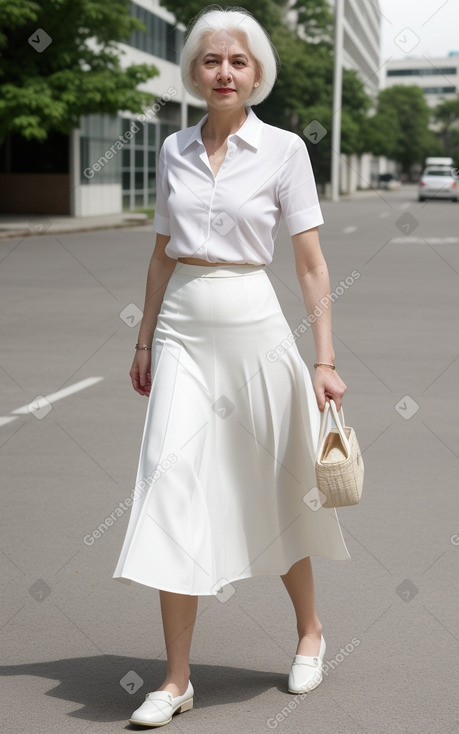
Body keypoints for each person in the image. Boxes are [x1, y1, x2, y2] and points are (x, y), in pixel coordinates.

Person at [113, 5, 350, 728]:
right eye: (212, 60)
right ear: (194, 69)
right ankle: (177, 678)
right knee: (168, 482)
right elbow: (161, 251)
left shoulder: (282, 151)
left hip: (254, 325)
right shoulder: (172, 149)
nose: (224, 72)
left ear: (256, 73)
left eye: (237, 61)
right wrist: (144, 338)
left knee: (275, 487)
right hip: (184, 325)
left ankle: (310, 632)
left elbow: (309, 265)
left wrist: (324, 360)